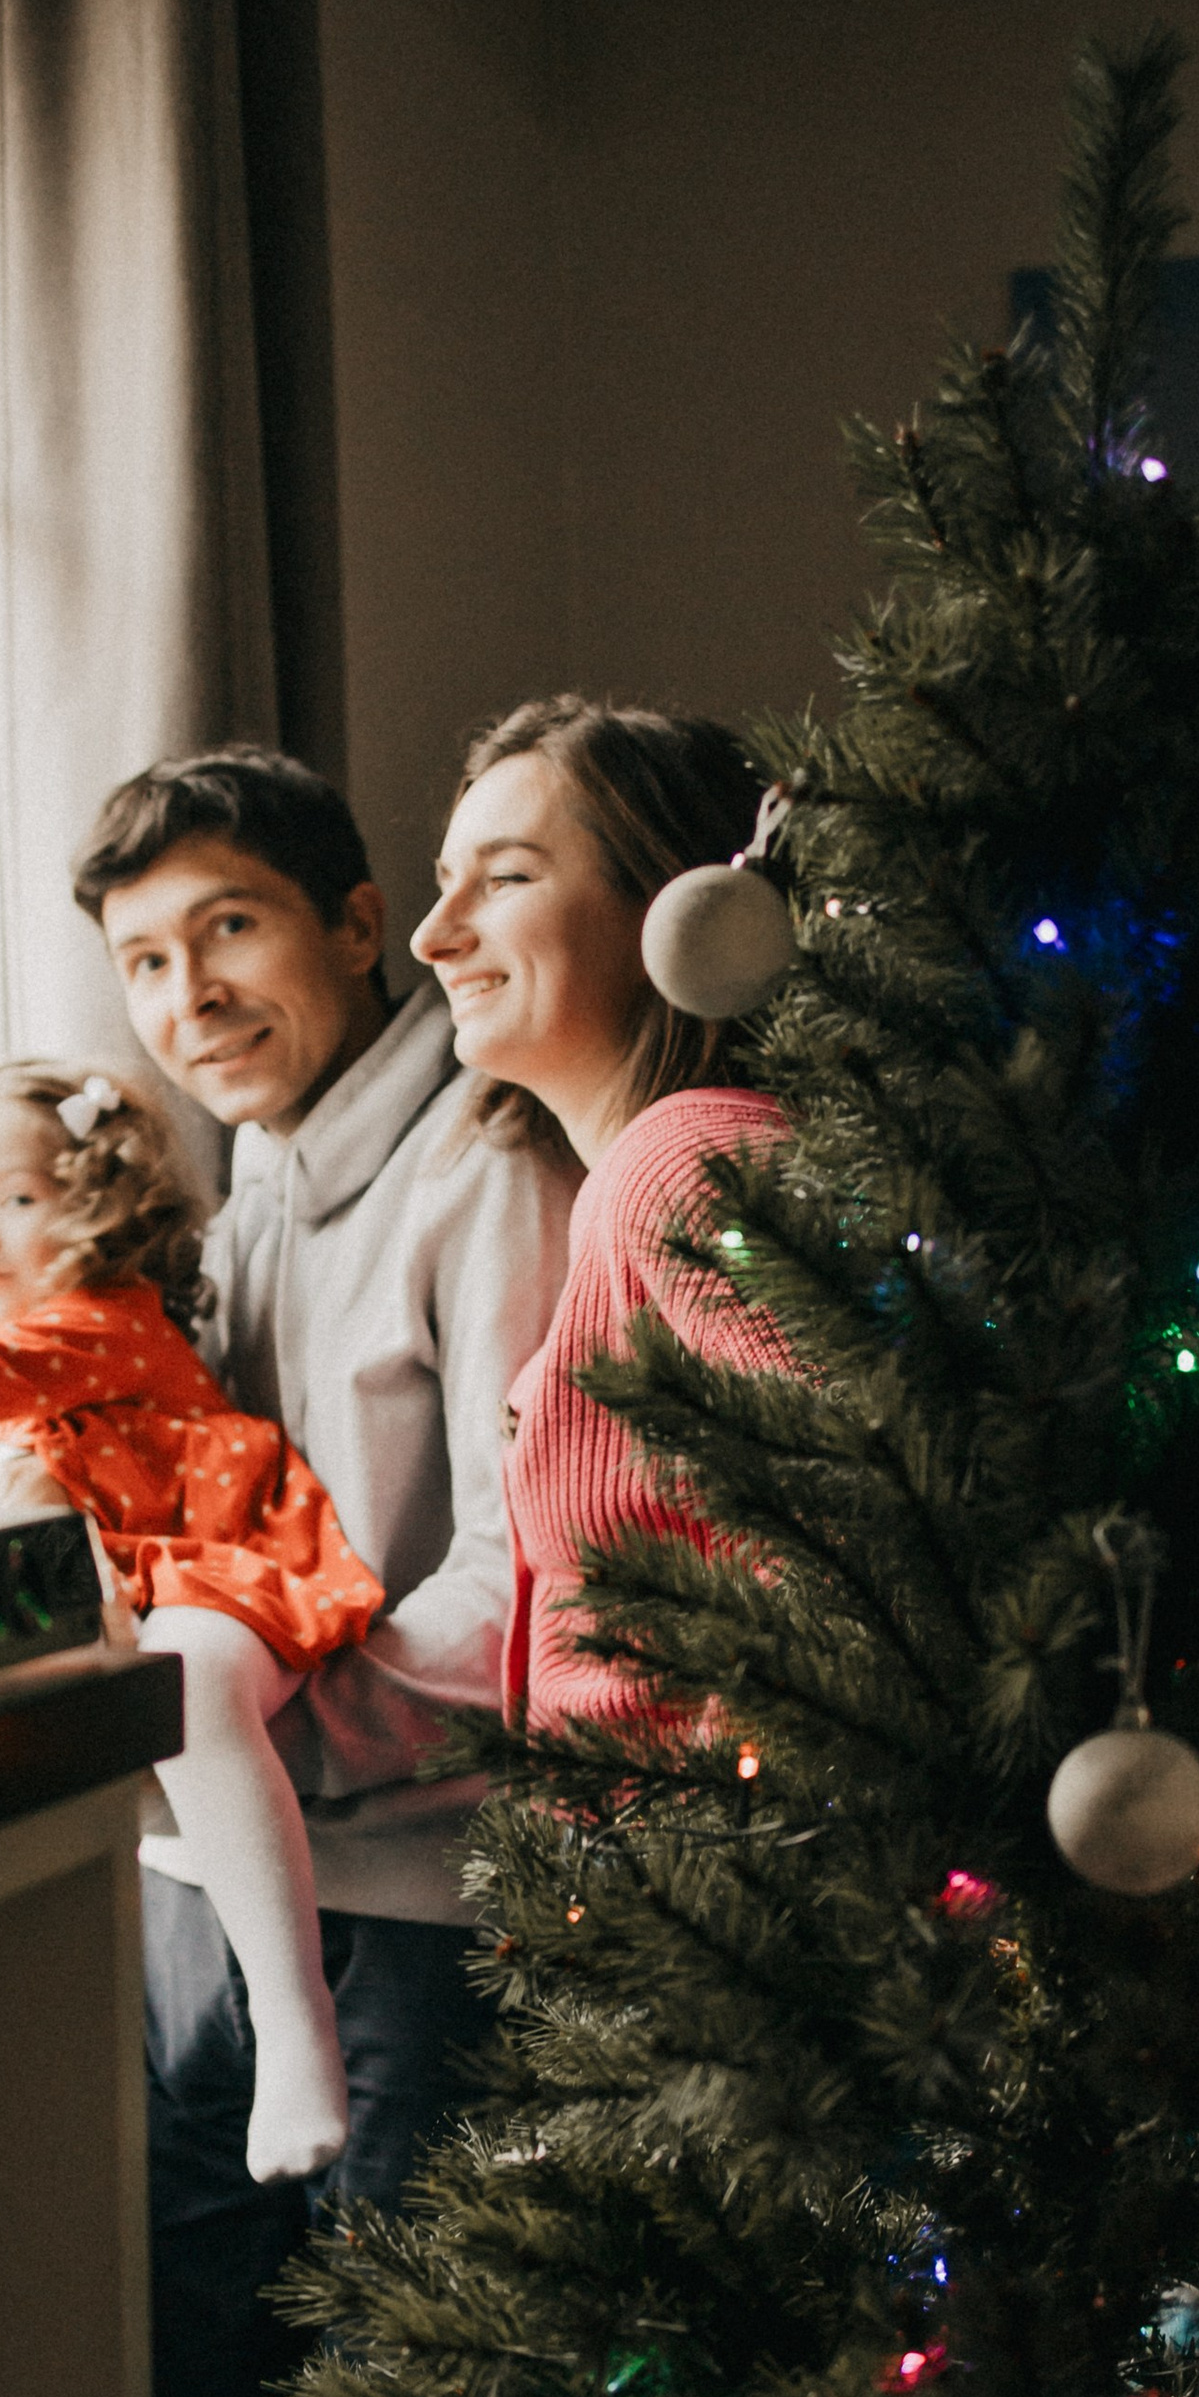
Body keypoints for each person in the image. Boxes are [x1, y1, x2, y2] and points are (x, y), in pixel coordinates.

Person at [77, 746, 577, 2397]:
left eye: (229, 929)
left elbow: (525, 1578)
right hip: (195, 1893)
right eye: (143, 962)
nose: (186, 997)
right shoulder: (234, 1198)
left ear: (358, 927)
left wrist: (257, 1753)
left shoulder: (489, 1171)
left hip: (407, 1903)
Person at [0, 1061, 383, 2183]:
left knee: (189, 1673)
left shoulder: (110, 1326)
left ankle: (293, 2020)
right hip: (109, 1618)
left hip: (210, 1567)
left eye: (17, 1200)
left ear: (100, 1207)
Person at [409, 693, 796, 1729]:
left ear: (672, 903)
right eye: (443, 884)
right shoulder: (641, 1176)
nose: (431, 937)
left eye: (505, 879)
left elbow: (871, 1548)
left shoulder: (685, 1162)